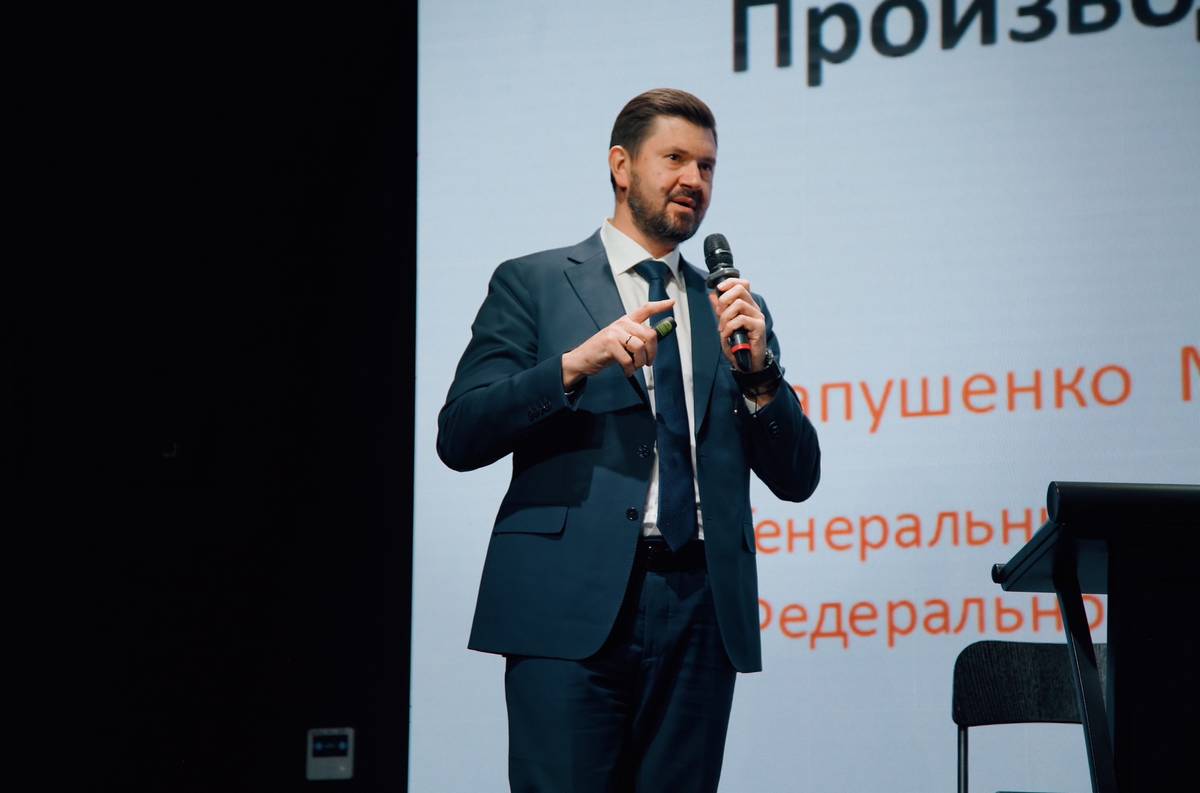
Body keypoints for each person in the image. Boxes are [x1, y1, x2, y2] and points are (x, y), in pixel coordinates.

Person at [436, 88, 820, 793]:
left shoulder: (734, 309)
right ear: (621, 165)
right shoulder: (533, 283)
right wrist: (571, 367)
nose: (693, 180)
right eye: (674, 159)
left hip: (700, 607)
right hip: (566, 604)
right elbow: (460, 433)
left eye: (707, 166)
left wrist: (760, 373)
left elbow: (798, 476)